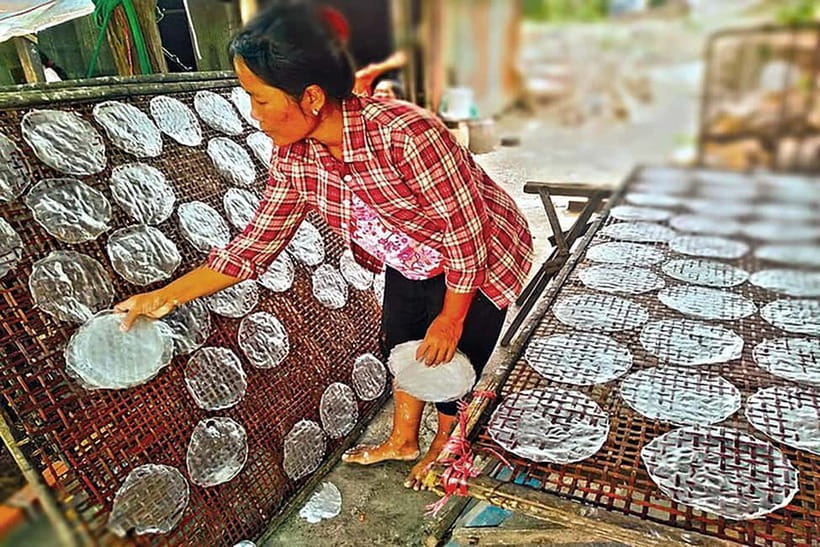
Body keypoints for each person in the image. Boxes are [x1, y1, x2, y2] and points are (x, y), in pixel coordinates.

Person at [115, 0, 533, 490]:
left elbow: (466, 234)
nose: (255, 116)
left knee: (452, 358)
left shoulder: (406, 134)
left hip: (482, 251)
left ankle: (445, 442)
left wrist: (451, 316)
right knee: (402, 343)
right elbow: (253, 247)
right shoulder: (293, 156)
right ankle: (403, 439)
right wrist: (162, 296)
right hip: (410, 253)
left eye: (262, 100)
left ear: (311, 96)